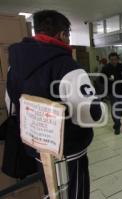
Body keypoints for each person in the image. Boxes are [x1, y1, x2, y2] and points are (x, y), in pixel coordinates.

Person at [5, 10, 107, 199]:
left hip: (35, 146)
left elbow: (9, 102)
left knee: (51, 192)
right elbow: (90, 115)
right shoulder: (67, 66)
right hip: (68, 149)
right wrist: (99, 103)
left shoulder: (15, 63)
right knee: (74, 193)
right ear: (63, 34)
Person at [101, 52, 122, 135]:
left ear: (118, 59)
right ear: (109, 60)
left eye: (115, 59)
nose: (113, 61)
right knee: (115, 108)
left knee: (121, 108)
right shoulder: (106, 68)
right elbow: (101, 79)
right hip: (112, 92)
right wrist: (107, 80)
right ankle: (117, 125)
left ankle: (117, 122)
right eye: (112, 60)